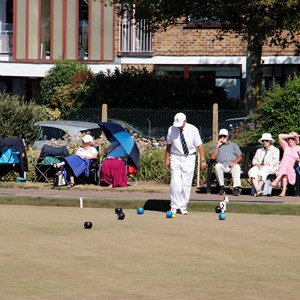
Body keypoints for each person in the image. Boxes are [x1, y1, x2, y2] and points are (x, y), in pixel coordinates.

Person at [165, 112, 206, 215]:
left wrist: (202, 159)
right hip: (175, 157)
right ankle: (174, 206)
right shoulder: (171, 129)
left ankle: (183, 206)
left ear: (185, 121)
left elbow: (199, 146)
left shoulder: (193, 129)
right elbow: (168, 145)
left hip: (189, 158)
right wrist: (167, 159)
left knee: (186, 184)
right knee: (175, 182)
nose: (178, 127)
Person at [209, 128, 243, 196]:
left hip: (231, 165)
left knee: (237, 167)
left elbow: (240, 157)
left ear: (227, 137)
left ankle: (236, 188)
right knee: (217, 166)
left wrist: (234, 162)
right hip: (222, 165)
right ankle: (221, 187)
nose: (222, 138)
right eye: (221, 136)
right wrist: (217, 146)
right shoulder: (215, 146)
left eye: (224, 136)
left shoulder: (233, 145)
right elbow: (212, 157)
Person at [270, 132, 300, 197]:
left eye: (292, 139)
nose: (290, 140)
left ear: (296, 140)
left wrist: (296, 161)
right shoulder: (286, 146)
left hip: (293, 167)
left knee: (286, 162)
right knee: (285, 171)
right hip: (284, 167)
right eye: (289, 139)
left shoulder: (298, 148)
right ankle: (283, 191)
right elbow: (280, 136)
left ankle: (277, 181)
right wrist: (291, 135)